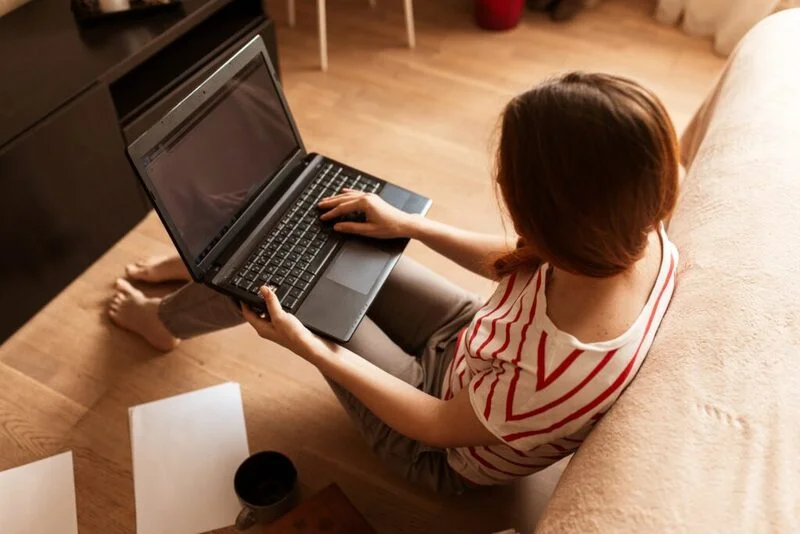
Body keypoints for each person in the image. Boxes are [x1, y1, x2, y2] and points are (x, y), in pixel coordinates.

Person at [108, 72, 680, 494]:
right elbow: (517, 262)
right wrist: (407, 224)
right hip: (477, 343)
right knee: (327, 232)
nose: (501, 181)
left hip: (440, 433)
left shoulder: (554, 370)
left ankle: (167, 317)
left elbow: (433, 426)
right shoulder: (637, 235)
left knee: (266, 290)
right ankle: (216, 256)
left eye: (511, 183)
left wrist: (306, 346)